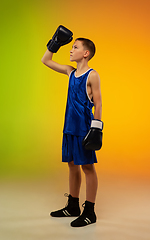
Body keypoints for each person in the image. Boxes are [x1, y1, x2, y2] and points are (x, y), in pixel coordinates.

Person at [41, 25, 103, 227]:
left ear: (85, 53)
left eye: (75, 47)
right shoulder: (69, 72)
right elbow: (46, 60)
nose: (71, 49)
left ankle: (90, 211)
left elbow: (99, 103)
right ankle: (72, 205)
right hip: (69, 127)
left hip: (84, 129)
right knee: (71, 165)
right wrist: (55, 43)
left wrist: (96, 128)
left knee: (87, 167)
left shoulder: (92, 75)